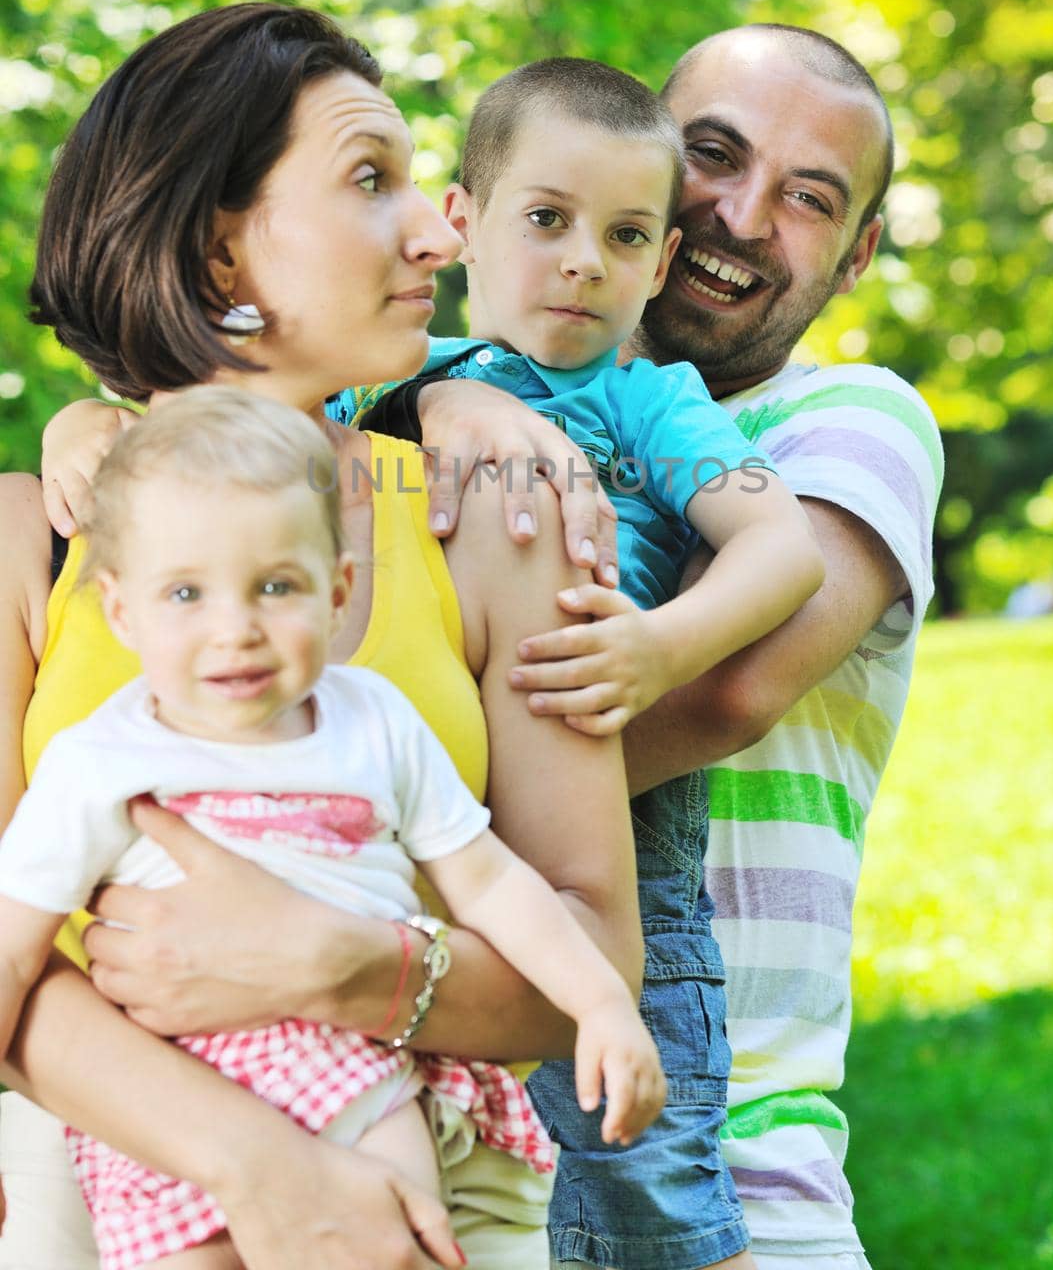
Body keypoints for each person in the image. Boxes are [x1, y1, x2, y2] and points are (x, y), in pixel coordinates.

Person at [0, 2, 637, 1270]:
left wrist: (346, 967)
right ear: (220, 251)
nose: (437, 226)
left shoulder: (484, 512)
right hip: (104, 1189)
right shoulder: (33, 541)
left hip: (428, 1184)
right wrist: (256, 1164)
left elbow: (590, 937)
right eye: (370, 178)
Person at [354, 24, 943, 1270]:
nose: (739, 213)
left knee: (647, 1183)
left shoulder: (846, 417)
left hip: (743, 1146)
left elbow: (728, 688)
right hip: (452, 1082)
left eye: (807, 197)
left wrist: (376, 823)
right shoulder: (414, 381)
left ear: (859, 252)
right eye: (713, 157)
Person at [0, 389, 665, 1270]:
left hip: (362, 1075)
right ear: (123, 613)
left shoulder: (373, 723)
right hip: (168, 1100)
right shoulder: (101, 760)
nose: (233, 629)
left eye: (276, 588)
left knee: (394, 1241)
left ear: (337, 586)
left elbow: (493, 881)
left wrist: (600, 1002)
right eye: (187, 593)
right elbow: (11, 947)